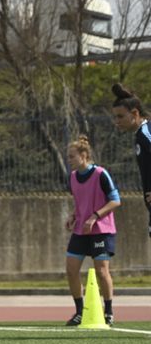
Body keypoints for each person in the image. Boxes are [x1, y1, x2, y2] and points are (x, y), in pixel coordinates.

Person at [63, 136, 121, 326]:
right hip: (81, 230)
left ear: (84, 155)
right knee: (71, 270)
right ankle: (80, 311)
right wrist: (73, 216)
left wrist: (95, 216)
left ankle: (109, 311)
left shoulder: (100, 174)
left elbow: (115, 201)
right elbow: (81, 202)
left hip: (101, 230)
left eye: (72, 156)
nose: (69, 160)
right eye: (68, 157)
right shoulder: (72, 177)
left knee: (101, 271)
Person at [111, 83, 151, 239]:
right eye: (115, 117)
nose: (117, 121)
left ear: (134, 113)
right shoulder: (140, 134)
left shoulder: (145, 133)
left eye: (120, 116)